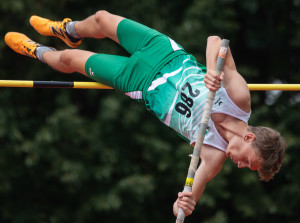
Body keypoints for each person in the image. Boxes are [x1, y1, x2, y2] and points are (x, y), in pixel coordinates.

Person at [5, 10, 287, 218]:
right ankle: (69, 30)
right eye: (247, 162)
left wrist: (183, 205)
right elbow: (215, 41)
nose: (239, 165)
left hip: (141, 83)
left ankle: (37, 51)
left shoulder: (212, 156)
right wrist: (214, 71)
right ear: (249, 137)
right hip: (165, 54)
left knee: (69, 60)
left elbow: (190, 195)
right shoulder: (238, 98)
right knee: (102, 19)